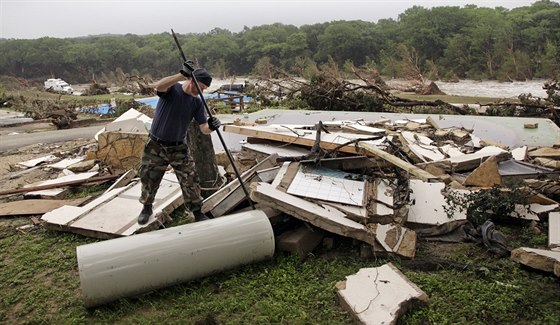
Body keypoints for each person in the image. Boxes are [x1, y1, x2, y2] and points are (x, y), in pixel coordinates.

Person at [137, 66, 221, 225]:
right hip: (156, 144)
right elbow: (158, 86)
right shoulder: (172, 89)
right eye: (201, 88)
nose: (201, 92)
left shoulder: (197, 103)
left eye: (204, 90)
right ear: (192, 80)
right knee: (149, 177)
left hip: (178, 147)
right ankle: (147, 207)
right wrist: (181, 74)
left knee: (190, 179)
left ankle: (197, 212)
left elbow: (204, 129)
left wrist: (212, 125)